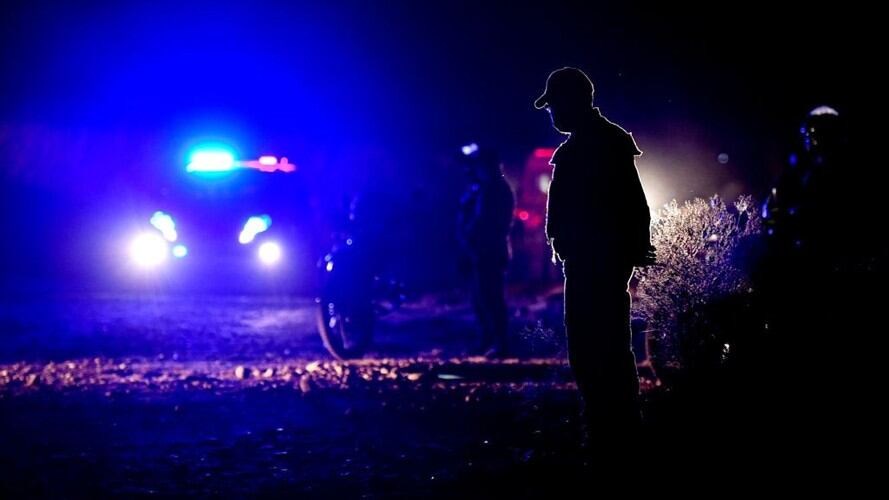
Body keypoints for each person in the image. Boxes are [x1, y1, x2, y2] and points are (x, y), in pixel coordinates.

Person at [534, 67, 655, 446]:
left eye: (555, 105)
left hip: (596, 263)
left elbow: (631, 204)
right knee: (596, 347)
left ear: (572, 101)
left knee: (601, 348)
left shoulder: (600, 144)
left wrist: (622, 249)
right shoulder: (597, 142)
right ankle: (610, 426)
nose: (552, 114)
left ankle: (615, 432)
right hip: (591, 261)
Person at [457, 145, 515, 357]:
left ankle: (500, 343)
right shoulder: (485, 189)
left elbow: (486, 222)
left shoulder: (495, 189)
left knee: (491, 298)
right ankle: (488, 340)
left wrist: (471, 237)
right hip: (481, 250)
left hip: (489, 250)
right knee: (481, 298)